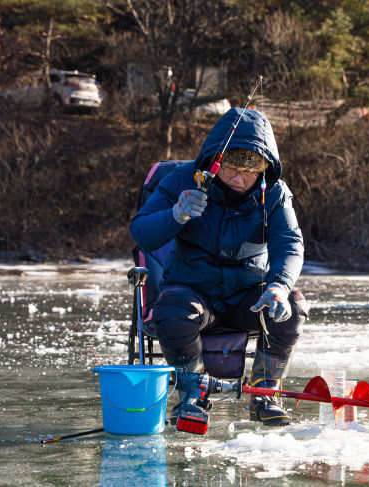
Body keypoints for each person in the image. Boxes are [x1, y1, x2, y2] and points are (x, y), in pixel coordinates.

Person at [129, 108, 308, 426]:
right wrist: (175, 215)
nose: (240, 180)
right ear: (216, 161)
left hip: (248, 295)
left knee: (292, 306)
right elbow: (141, 231)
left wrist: (279, 285)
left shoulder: (275, 193)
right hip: (194, 290)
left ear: (263, 169)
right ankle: (192, 395)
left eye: (249, 172)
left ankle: (264, 392)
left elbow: (290, 243)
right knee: (170, 309)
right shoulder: (183, 179)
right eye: (231, 170)